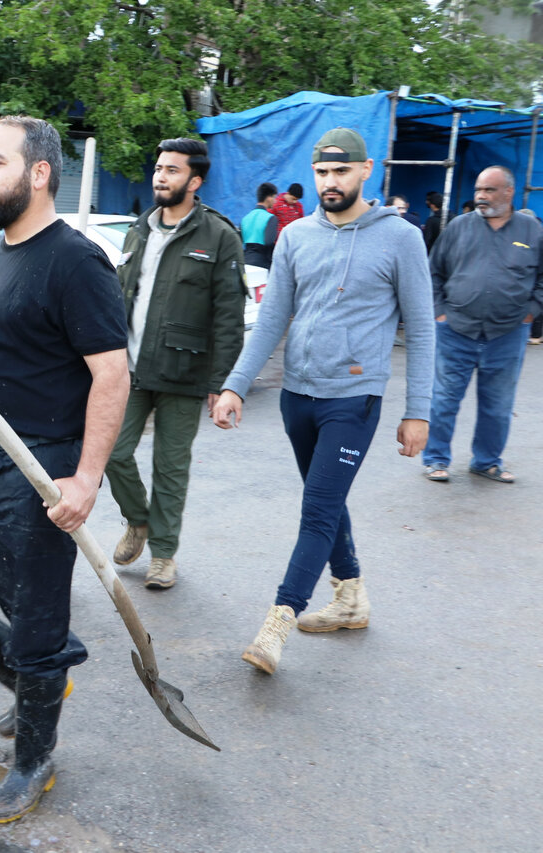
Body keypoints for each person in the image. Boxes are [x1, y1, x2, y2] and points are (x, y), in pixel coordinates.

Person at [0, 116, 129, 823]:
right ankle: (40, 681)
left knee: (36, 623)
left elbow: (111, 375)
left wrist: (87, 478)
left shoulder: (75, 261)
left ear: (38, 173)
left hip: (38, 470)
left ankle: (35, 755)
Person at [212, 128, 434, 674]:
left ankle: (279, 620)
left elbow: (423, 328)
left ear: (366, 170)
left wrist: (418, 411)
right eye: (321, 173)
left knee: (316, 509)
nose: (329, 182)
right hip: (297, 397)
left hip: (353, 399)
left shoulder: (401, 238)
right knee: (326, 501)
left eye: (340, 172)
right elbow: (271, 321)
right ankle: (351, 597)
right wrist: (236, 384)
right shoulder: (296, 236)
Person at [106, 138, 246, 590]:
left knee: (170, 466)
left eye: (171, 170)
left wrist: (223, 383)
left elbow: (229, 316)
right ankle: (138, 521)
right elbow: (119, 297)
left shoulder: (219, 237)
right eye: (159, 168)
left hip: (184, 373)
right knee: (112, 451)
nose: (160, 177)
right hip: (130, 368)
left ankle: (163, 555)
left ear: (195, 180)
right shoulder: (138, 230)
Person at [421, 166, 542, 484]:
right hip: (456, 330)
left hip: (507, 334)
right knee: (445, 398)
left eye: (488, 190)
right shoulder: (458, 227)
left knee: (498, 405)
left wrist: (531, 311)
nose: (480, 197)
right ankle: (435, 458)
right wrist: (440, 313)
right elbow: (432, 272)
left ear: (508, 192)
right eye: (478, 190)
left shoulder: (531, 231)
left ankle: (486, 461)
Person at [240, 181, 279, 268]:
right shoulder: (271, 218)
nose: (275, 201)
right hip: (262, 263)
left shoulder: (245, 218)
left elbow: (239, 241)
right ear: (268, 198)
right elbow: (269, 242)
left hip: (245, 261)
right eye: (274, 197)